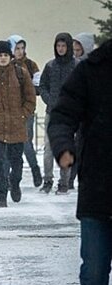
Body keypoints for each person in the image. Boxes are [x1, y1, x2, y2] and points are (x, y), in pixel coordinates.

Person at [47, 38, 112, 285]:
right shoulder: (92, 70)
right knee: (94, 273)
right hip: (99, 186)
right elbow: (62, 115)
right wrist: (63, 148)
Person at [0, 40, 36, 208]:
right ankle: (1, 195)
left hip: (17, 126)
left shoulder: (21, 73)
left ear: (10, 57)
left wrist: (23, 115)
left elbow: (30, 98)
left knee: (16, 160)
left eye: (5, 55)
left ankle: (15, 183)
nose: (3, 58)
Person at [39, 32, 77, 194]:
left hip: (69, 115)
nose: (60, 49)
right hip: (52, 112)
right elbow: (42, 86)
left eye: (63, 46)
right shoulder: (50, 66)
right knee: (48, 148)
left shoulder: (76, 66)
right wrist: (50, 100)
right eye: (58, 46)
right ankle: (47, 179)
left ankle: (64, 181)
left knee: (66, 147)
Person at [7, 34, 43, 187]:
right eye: (17, 48)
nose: (20, 51)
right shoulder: (6, 64)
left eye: (22, 48)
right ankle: (10, 175)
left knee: (26, 142)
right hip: (10, 112)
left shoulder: (31, 65)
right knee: (9, 144)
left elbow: (38, 88)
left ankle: (35, 169)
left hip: (26, 110)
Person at [68, 33, 95, 190]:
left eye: (79, 48)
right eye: (75, 48)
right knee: (77, 146)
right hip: (78, 113)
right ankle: (72, 178)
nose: (76, 51)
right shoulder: (75, 65)